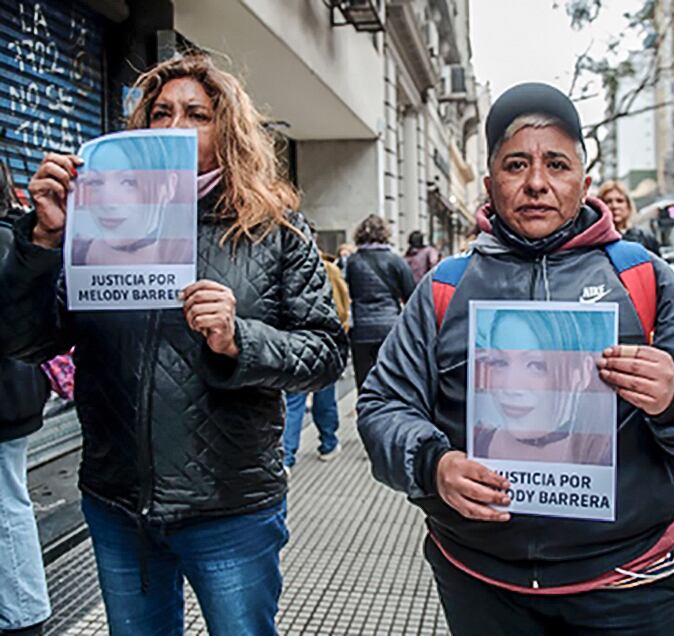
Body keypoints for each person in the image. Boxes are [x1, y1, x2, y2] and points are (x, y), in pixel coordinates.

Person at [357, 82, 674, 635]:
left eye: (556, 164)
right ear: (489, 184)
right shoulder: (446, 287)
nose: (536, 183)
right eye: (516, 164)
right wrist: (432, 466)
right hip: (481, 581)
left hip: (627, 584)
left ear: (583, 182)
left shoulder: (639, 276)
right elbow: (382, 406)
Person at [0, 54, 347, 635]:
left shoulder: (273, 229)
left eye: (197, 114)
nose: (174, 126)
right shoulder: (98, 221)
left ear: (228, 132)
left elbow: (326, 352)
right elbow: (24, 340)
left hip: (231, 507)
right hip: (118, 505)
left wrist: (241, 339)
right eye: (160, 113)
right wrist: (41, 241)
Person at [0, 192, 51, 636]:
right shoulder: (10, 237)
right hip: (14, 398)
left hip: (4, 401)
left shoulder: (6, 240)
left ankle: (23, 616)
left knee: (6, 506)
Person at [472, 308, 614, 466]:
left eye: (537, 365)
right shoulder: (471, 445)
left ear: (581, 373)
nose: (510, 387)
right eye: (499, 362)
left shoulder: (610, 456)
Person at [70, 134, 194, 266]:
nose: (107, 202)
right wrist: (48, 238)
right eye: (95, 182)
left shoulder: (194, 258)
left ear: (169, 186)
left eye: (129, 182)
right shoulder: (74, 253)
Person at [284, 246, 350, 465]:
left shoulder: (281, 263)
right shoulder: (328, 268)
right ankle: (328, 443)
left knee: (294, 401)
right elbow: (342, 306)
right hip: (321, 340)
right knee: (324, 397)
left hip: (292, 339)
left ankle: (287, 457)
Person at [345, 215, 415, 391]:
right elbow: (411, 296)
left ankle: (365, 415)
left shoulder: (353, 262)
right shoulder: (396, 261)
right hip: (389, 328)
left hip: (361, 330)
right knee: (390, 382)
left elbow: (350, 293)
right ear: (385, 234)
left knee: (364, 384)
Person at [597, 180, 661, 255]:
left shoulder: (644, 237)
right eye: (608, 201)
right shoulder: (596, 239)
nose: (614, 206)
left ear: (628, 205)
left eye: (620, 201)